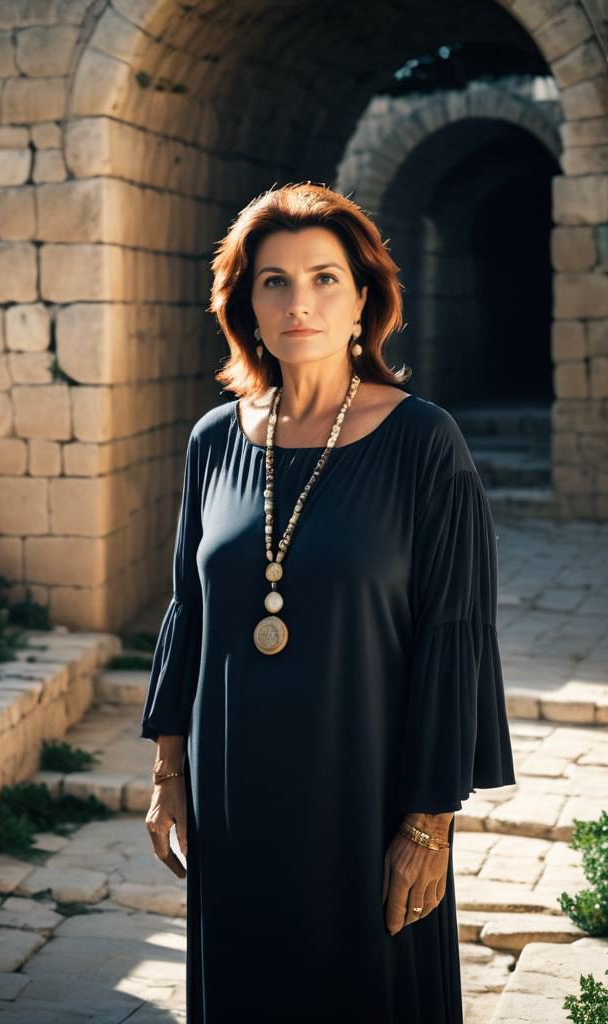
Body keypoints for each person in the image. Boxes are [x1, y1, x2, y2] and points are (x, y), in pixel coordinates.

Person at [140, 182, 516, 1023]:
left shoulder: (425, 441)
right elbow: (188, 614)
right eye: (273, 280)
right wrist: (169, 771)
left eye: (323, 279)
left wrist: (430, 825)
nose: (297, 301)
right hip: (234, 803)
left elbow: (454, 638)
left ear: (363, 304)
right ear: (245, 303)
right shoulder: (214, 439)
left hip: (365, 800)